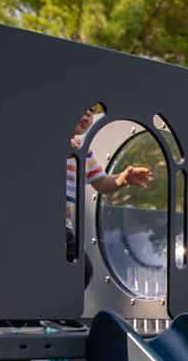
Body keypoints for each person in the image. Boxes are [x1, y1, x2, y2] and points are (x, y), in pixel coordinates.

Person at [64, 107, 153, 256]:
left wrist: (123, 178)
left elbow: (101, 182)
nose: (88, 113)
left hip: (65, 227)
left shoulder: (84, 152)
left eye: (91, 111)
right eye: (83, 108)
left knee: (85, 271)